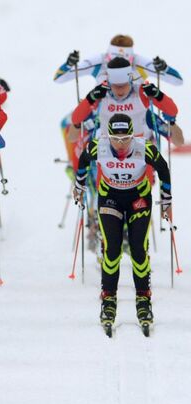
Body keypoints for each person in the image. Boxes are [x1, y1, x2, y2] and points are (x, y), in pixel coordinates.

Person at [74, 113, 171, 335]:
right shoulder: (98, 146)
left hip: (138, 198)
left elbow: (164, 169)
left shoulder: (143, 147)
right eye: (115, 139)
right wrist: (79, 187)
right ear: (108, 137)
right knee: (112, 251)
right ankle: (108, 299)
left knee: (138, 250)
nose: (120, 144)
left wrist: (167, 201)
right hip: (110, 198)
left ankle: (143, 300)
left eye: (125, 139)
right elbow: (82, 161)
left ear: (132, 136)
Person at [71, 57, 179, 141]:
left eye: (124, 85)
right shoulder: (101, 93)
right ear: (109, 82)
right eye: (116, 86)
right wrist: (90, 97)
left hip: (138, 147)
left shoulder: (141, 91)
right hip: (108, 147)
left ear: (130, 81)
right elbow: (76, 119)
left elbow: (172, 111)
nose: (120, 91)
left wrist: (159, 95)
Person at [54, 34, 183, 86]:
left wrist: (164, 68)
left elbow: (178, 82)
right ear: (107, 55)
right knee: (67, 124)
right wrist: (69, 64)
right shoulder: (98, 62)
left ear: (131, 58)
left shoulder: (140, 63)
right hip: (104, 115)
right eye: (113, 59)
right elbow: (59, 79)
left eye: (124, 61)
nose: (118, 64)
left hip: (137, 116)